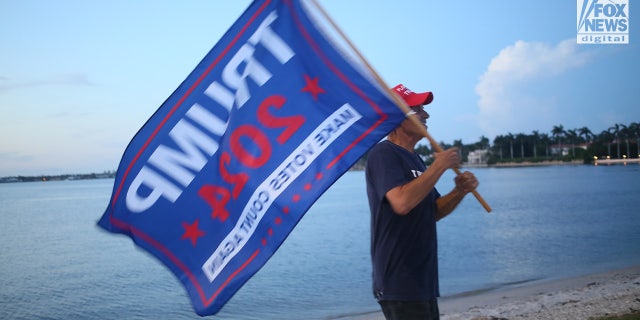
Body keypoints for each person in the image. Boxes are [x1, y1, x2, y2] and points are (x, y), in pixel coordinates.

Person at [365, 84, 479, 320]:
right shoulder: (384, 154)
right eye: (417, 109)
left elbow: (434, 211)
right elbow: (401, 202)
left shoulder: (415, 159)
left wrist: (459, 191)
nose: (426, 114)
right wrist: (438, 167)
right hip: (399, 279)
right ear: (397, 117)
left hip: (422, 279)